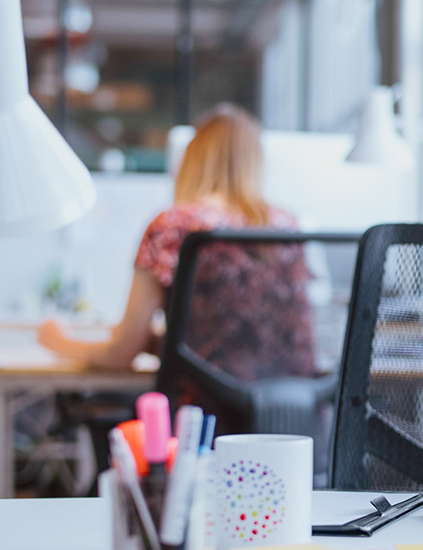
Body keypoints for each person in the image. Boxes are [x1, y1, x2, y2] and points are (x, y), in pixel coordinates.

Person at [38, 103, 314, 380]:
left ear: (193, 159)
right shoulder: (287, 226)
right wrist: (160, 343)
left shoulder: (173, 227)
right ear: (256, 162)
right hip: (293, 412)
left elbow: (121, 354)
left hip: (202, 415)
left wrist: (57, 340)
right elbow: (247, 343)